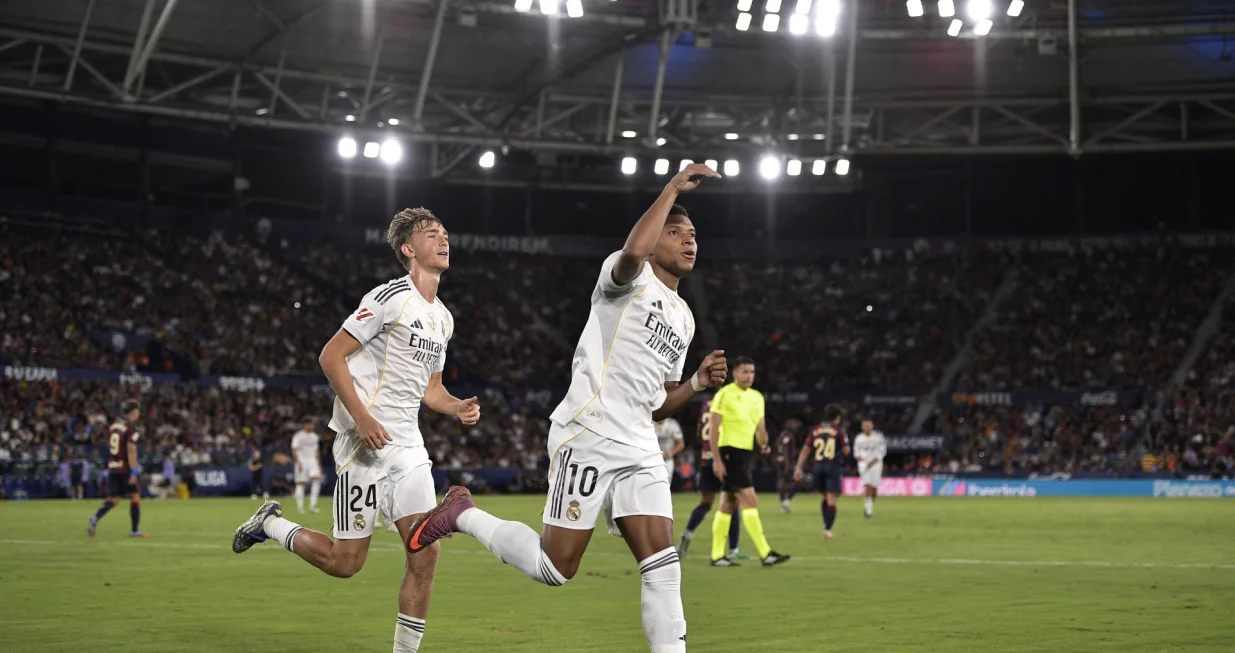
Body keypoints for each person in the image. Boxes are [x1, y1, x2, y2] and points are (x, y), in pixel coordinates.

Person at [403, 164, 727, 653]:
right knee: (554, 567)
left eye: (693, 235)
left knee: (662, 566)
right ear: (654, 238)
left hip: (641, 444)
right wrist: (671, 189)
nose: (688, 241)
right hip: (590, 432)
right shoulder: (627, 278)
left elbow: (660, 405)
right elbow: (632, 252)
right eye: (676, 232)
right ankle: (462, 513)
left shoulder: (684, 317)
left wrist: (697, 384)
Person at [232, 208, 479, 653]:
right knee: (345, 563)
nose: (443, 239)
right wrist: (362, 417)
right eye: (431, 234)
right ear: (409, 249)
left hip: (408, 447)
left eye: (445, 232)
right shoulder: (388, 297)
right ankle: (269, 524)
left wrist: (456, 406)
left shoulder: (443, 318)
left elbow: (432, 390)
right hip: (363, 443)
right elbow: (331, 356)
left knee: (426, 551)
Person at [708, 357, 790, 567]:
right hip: (729, 452)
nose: (749, 376)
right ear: (735, 373)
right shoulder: (724, 394)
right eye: (745, 371)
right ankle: (765, 553)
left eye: (752, 372)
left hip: (745, 454)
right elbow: (713, 430)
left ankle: (717, 556)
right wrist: (717, 460)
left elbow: (760, 428)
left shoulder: (757, 397)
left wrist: (764, 444)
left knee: (728, 504)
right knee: (750, 501)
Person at [676, 400, 743, 559]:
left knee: (705, 503)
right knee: (732, 503)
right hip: (723, 459)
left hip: (706, 460)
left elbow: (700, 432)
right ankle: (733, 550)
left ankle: (687, 534)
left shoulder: (705, 405)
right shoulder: (726, 402)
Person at [88, 399, 147, 538]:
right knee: (135, 496)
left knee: (114, 499)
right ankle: (135, 530)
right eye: (138, 411)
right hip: (125, 468)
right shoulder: (131, 428)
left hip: (113, 467)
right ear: (134, 412)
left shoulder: (114, 425)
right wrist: (134, 471)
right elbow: (131, 450)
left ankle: (95, 517)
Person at [794, 404, 848, 539]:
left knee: (824, 497)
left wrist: (798, 467)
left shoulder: (815, 430)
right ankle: (828, 529)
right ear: (837, 417)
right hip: (833, 466)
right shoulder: (839, 430)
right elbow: (846, 450)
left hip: (818, 466)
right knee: (832, 498)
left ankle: (825, 525)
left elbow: (806, 449)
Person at [854, 419, 887, 518]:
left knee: (874, 489)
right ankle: (869, 511)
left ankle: (869, 503)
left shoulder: (878, 437)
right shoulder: (859, 438)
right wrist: (861, 460)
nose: (867, 428)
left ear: (872, 426)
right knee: (867, 486)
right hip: (864, 465)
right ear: (862, 427)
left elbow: (882, 451)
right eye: (865, 426)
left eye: (868, 426)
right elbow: (856, 452)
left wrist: (873, 461)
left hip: (876, 464)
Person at [291, 417, 323, 513]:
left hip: (312, 461)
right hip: (302, 460)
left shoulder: (315, 436)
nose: (313, 426)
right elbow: (295, 450)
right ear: (306, 424)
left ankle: (313, 505)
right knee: (301, 483)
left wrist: (318, 464)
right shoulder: (298, 436)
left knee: (316, 481)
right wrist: (298, 462)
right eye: (311, 424)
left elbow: (316, 451)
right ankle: (300, 507)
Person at [774, 419, 801, 513]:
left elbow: (776, 446)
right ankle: (786, 501)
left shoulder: (781, 436)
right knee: (797, 481)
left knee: (783, 482)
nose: (795, 427)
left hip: (781, 461)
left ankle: (784, 503)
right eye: (794, 425)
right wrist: (787, 464)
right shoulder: (787, 436)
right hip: (785, 463)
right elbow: (785, 449)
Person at [655, 417, 685, 482]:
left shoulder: (672, 424)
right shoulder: (648, 423)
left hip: (667, 459)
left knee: (666, 481)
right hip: (651, 458)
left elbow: (681, 444)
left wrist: (672, 452)